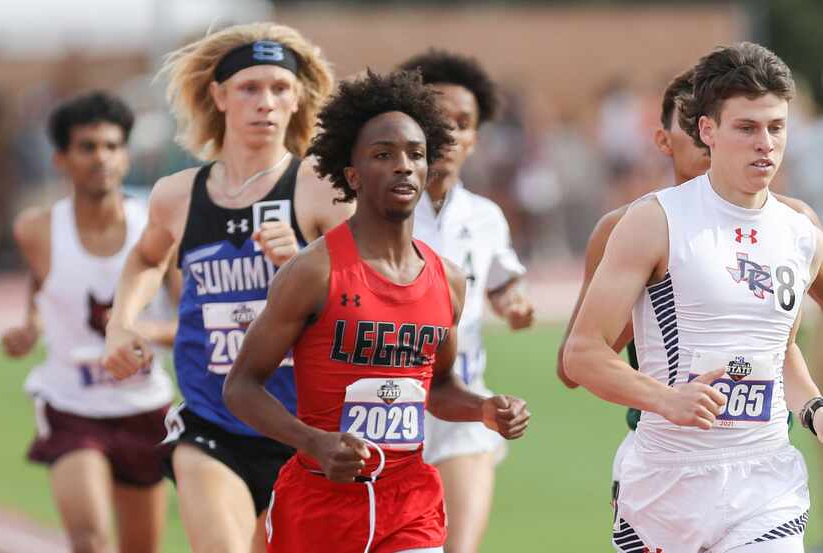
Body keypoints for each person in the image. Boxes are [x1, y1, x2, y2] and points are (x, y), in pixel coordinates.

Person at [222, 69, 531, 553]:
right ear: (353, 175)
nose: (404, 166)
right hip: (320, 503)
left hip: (409, 502)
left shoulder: (447, 279)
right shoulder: (314, 272)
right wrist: (313, 441)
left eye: (415, 154)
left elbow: (441, 389)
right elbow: (241, 385)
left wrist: (484, 409)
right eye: (383, 155)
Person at [565, 42, 823, 553]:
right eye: (746, 128)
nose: (765, 144)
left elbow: (778, 351)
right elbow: (582, 354)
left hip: (766, 480)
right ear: (707, 130)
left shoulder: (801, 230)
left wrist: (814, 409)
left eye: (776, 127)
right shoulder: (655, 220)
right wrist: (667, 399)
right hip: (667, 483)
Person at [102, 22, 347, 553]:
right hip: (212, 422)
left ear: (299, 97)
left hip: (305, 433)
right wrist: (120, 324)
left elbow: (373, 296)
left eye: (280, 88)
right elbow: (145, 260)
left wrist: (308, 266)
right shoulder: (179, 195)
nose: (266, 103)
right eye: (249, 88)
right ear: (218, 95)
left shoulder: (322, 188)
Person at [0, 91, 175, 553]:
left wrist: (144, 333)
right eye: (88, 147)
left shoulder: (157, 231)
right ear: (61, 158)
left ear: (127, 155)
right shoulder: (35, 229)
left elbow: (194, 324)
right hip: (71, 405)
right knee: (91, 541)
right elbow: (44, 283)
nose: (102, 158)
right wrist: (31, 324)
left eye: (112, 146)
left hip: (144, 407)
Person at [397, 49, 534, 553]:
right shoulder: (370, 212)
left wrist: (514, 303)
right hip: (382, 410)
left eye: (463, 122)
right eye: (437, 119)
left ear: (476, 138)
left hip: (463, 409)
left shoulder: (485, 217)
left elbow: (499, 283)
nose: (449, 133)